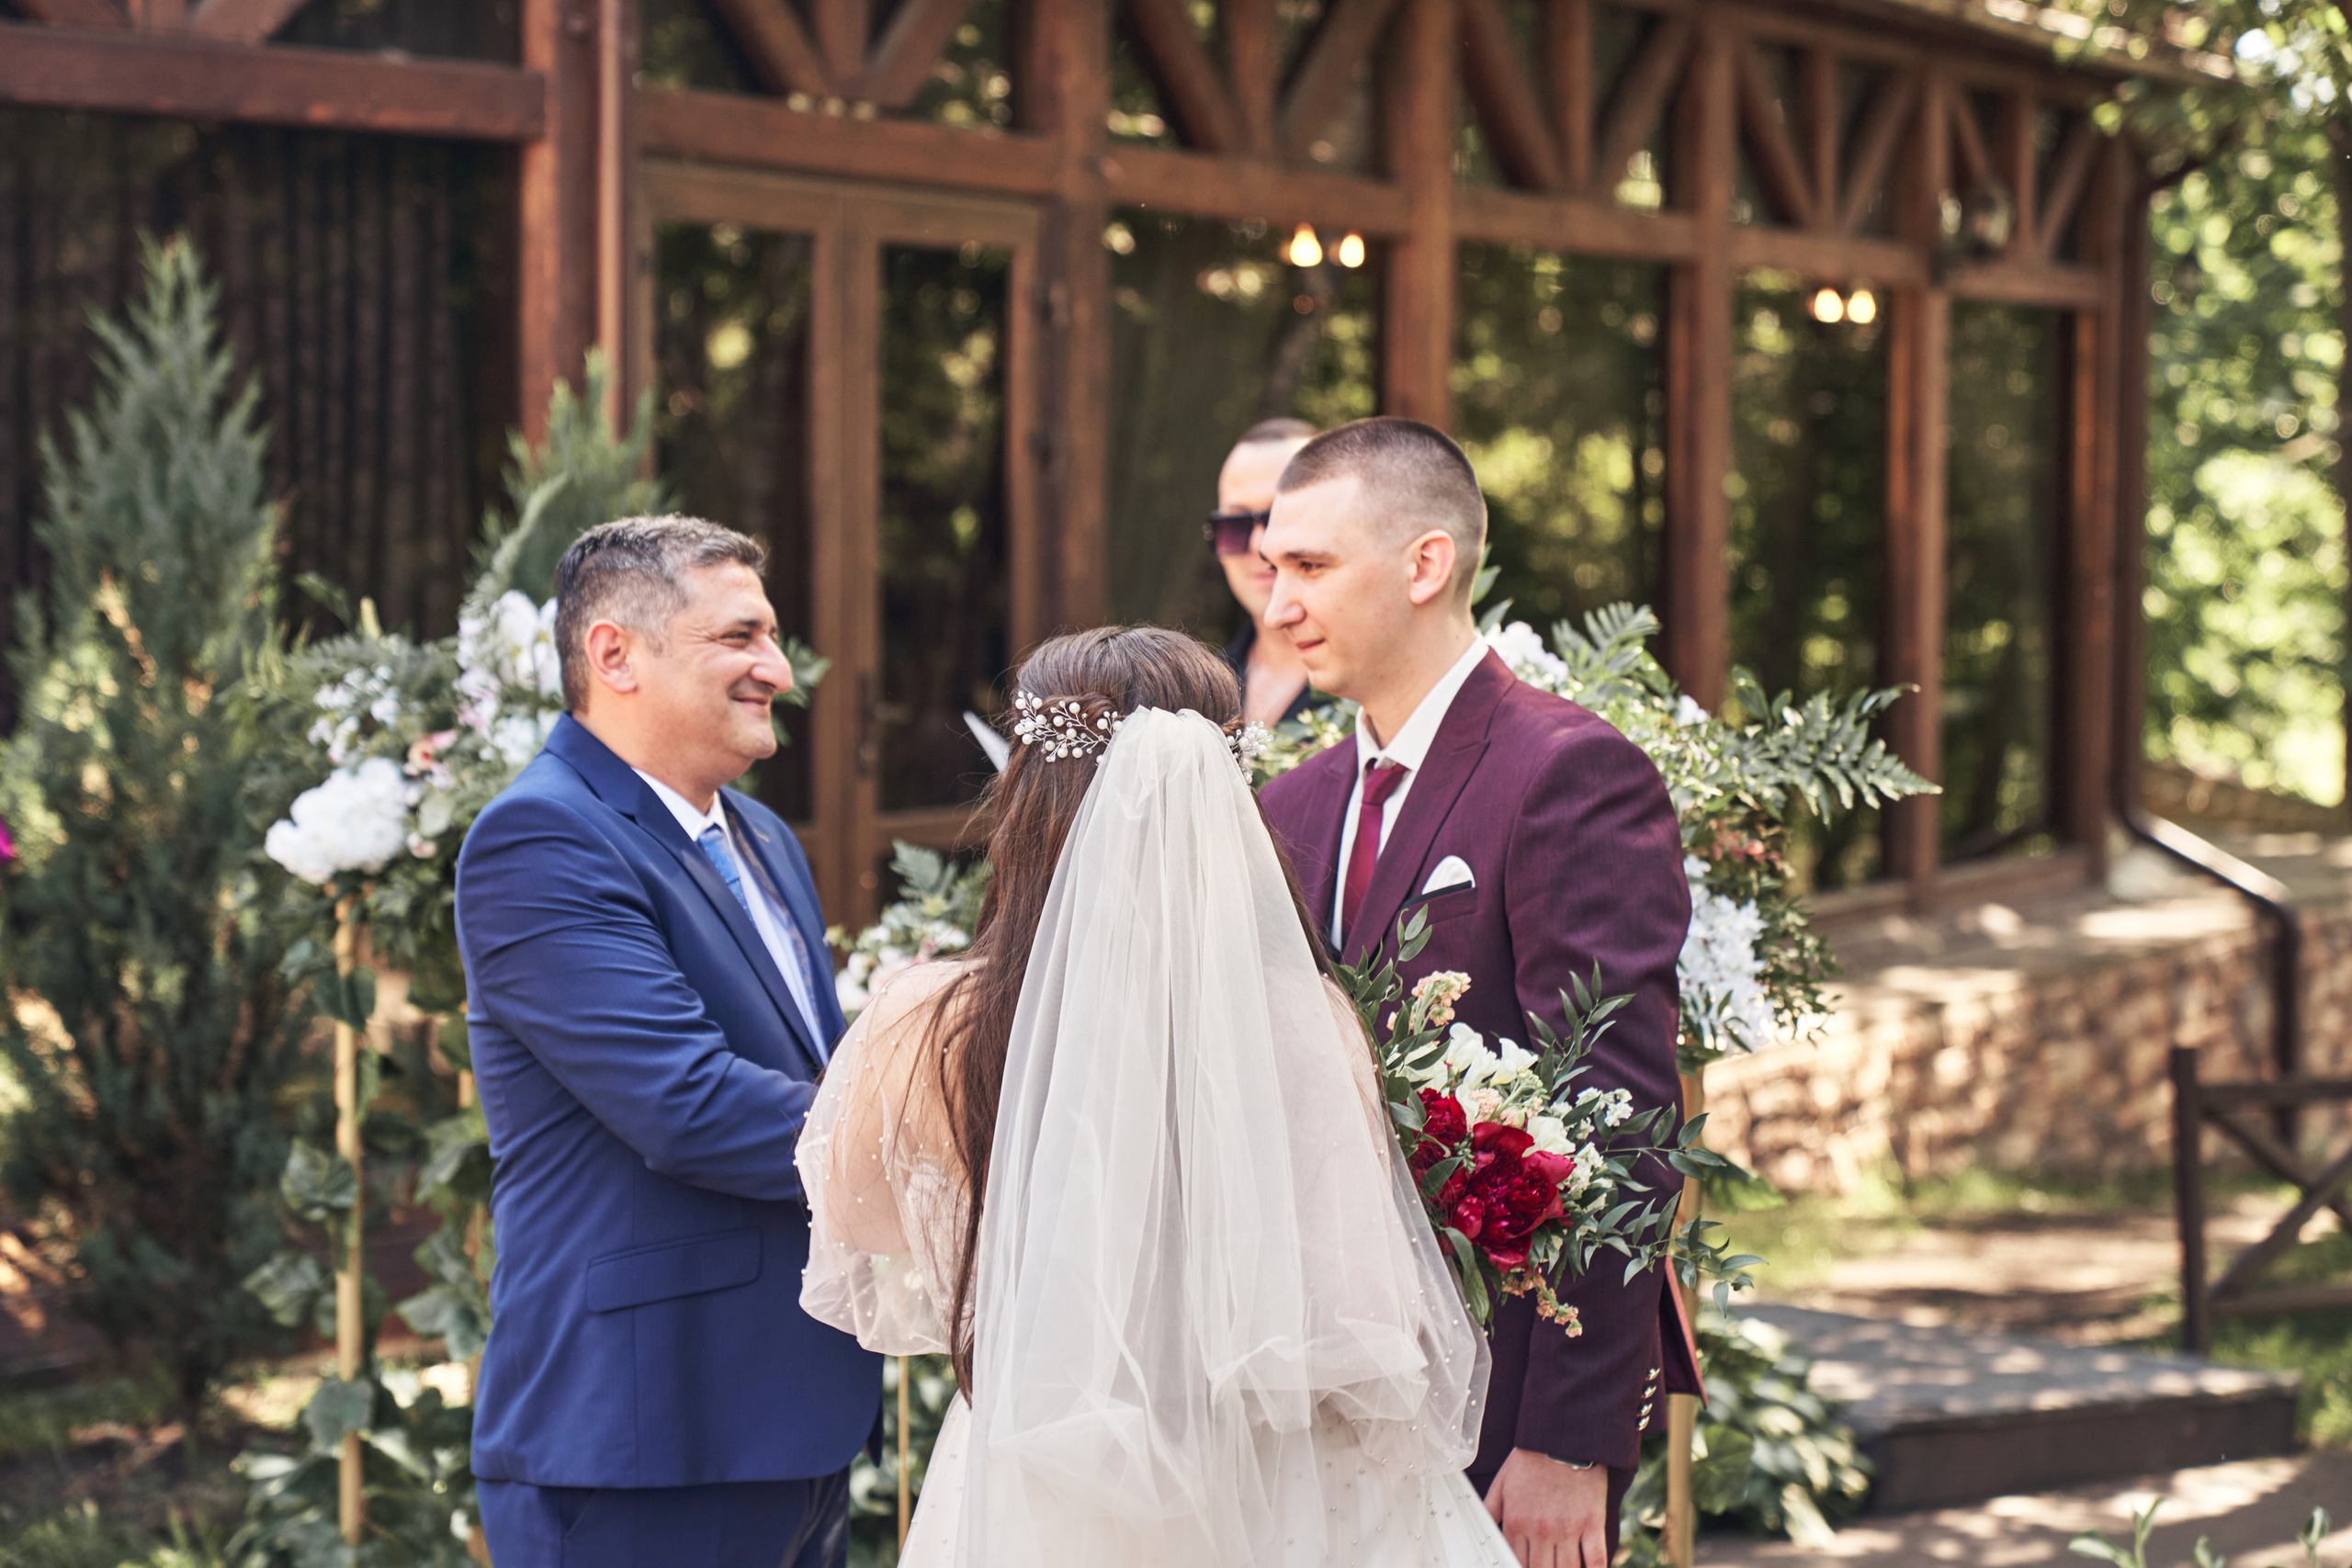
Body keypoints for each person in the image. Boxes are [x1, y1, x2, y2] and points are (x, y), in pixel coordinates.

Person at [797, 626, 1515, 1567]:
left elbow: (863, 1223)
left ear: (1025, 790)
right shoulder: (1307, 1019)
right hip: (1293, 1479)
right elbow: (1361, 1304)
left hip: (1041, 1467)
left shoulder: (927, 1021)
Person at [1253, 419, 1701, 1568]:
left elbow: (1622, 1121)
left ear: (1425, 562)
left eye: (1310, 568)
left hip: (1510, 1386)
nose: (1278, 607)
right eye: (1271, 571)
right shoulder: (1289, 808)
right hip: (1320, 1388)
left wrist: (1570, 1439)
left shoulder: (1566, 773)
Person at [457, 516, 878, 1568]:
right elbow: (687, 1106)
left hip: (793, 1416)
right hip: (643, 1435)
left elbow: (806, 1079)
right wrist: (939, 1111)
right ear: (614, 654)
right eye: (738, 638)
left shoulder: (764, 836)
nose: (775, 668)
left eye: (771, 638)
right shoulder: (540, 837)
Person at [1211, 418, 1318, 725]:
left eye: (1280, 517)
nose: (1261, 546)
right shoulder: (1196, 694)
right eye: (1234, 526)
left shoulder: (1381, 690)